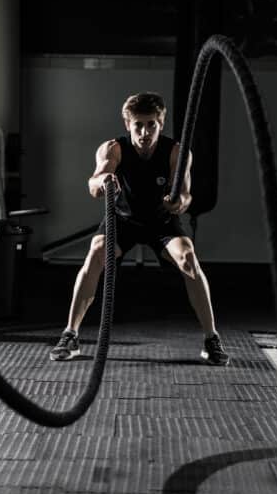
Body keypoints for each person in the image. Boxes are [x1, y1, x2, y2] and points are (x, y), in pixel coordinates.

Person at [49, 91, 229, 366]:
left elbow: (185, 194)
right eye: (139, 125)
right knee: (96, 251)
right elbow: (93, 183)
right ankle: (70, 334)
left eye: (151, 125)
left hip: (161, 222)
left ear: (160, 123)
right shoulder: (113, 149)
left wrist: (178, 203)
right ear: (128, 125)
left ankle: (211, 339)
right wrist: (104, 181)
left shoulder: (177, 152)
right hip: (123, 220)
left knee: (189, 259)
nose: (145, 132)